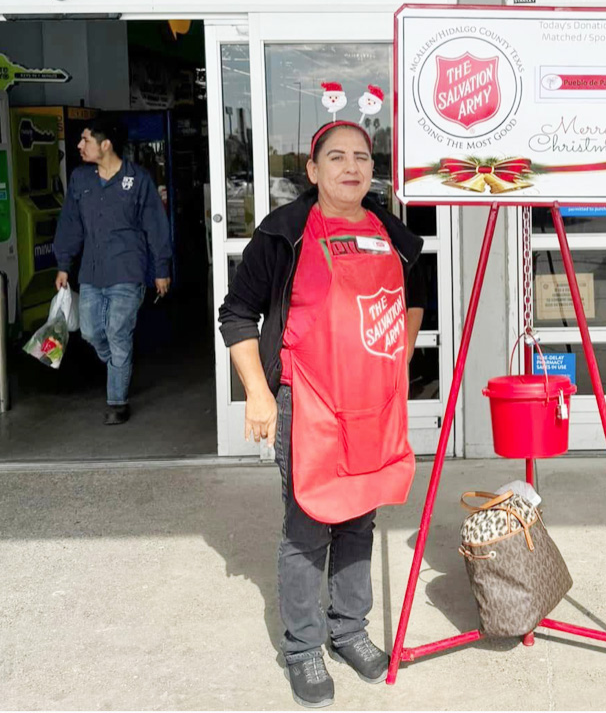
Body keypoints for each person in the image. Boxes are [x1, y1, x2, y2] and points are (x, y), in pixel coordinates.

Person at [218, 121, 425, 708]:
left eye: (361, 156)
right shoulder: (284, 234)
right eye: (336, 157)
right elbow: (237, 314)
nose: (351, 167)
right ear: (312, 171)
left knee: (360, 518)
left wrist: (399, 354)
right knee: (309, 524)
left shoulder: (393, 233)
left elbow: (415, 298)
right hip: (307, 401)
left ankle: (349, 629)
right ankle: (305, 647)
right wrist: (259, 394)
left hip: (372, 404)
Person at [53, 117, 172, 425]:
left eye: (85, 140)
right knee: (92, 331)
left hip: (128, 269)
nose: (79, 146)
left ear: (105, 145)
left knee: (118, 333)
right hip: (91, 272)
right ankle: (119, 365)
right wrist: (64, 264)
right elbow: (70, 224)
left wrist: (161, 269)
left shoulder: (138, 179)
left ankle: (117, 402)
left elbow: (156, 227)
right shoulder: (81, 180)